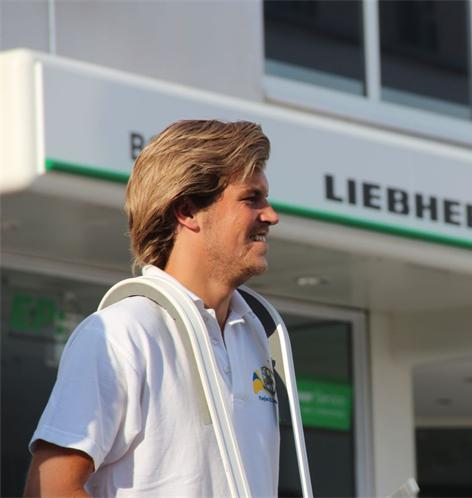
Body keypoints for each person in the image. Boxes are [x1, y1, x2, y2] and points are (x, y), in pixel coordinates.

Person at [23, 120, 281, 497]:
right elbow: (49, 490)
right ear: (188, 211)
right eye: (251, 198)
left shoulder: (257, 336)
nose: (271, 215)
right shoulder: (122, 331)